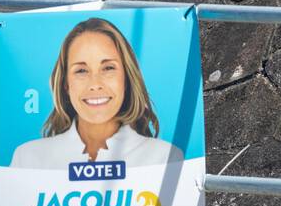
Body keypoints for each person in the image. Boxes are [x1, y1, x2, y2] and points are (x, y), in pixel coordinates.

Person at [10, 17, 182, 169]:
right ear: (65, 84)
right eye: (81, 71)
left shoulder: (165, 158)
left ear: (127, 79)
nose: (95, 84)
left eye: (108, 68)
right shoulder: (28, 159)